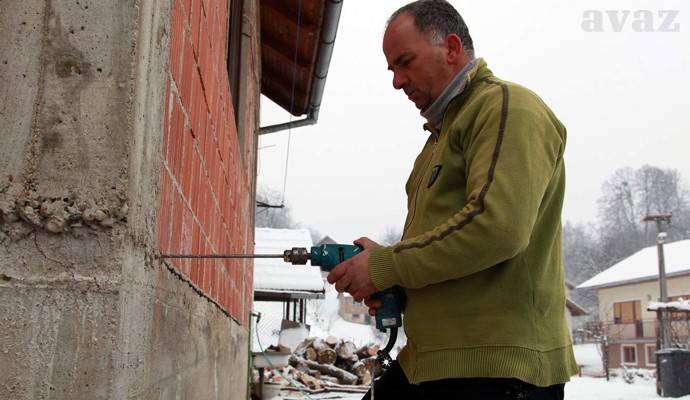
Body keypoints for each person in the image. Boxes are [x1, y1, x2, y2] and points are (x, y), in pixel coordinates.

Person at [326, 1, 578, 399]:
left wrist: (386, 264)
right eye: (391, 69)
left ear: (452, 47)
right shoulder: (436, 143)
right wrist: (392, 281)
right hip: (434, 361)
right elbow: (448, 254)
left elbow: (496, 229)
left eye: (405, 62)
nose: (396, 81)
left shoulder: (507, 107)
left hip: (496, 370)